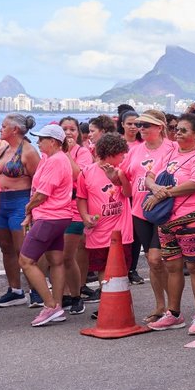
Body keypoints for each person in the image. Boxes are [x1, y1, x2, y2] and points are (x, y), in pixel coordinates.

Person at [141, 113, 195, 333]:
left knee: (194, 265)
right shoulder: (171, 152)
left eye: (183, 130)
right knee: (172, 265)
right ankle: (174, 313)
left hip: (192, 216)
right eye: (177, 129)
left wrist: (162, 194)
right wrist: (154, 188)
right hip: (167, 219)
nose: (178, 133)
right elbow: (150, 175)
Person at [121, 109, 177, 322]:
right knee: (154, 263)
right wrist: (115, 178)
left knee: (158, 258)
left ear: (159, 127)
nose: (140, 128)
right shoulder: (135, 150)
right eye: (138, 125)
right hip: (140, 211)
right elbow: (125, 178)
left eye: (146, 125)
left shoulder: (172, 149)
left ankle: (173, 307)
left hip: (165, 210)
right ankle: (160, 306)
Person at [18, 124, 76, 326]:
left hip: (49, 217)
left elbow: (42, 194)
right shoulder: (51, 159)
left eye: (41, 139)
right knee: (56, 260)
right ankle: (57, 305)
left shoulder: (56, 161)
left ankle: (50, 305)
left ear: (53, 142)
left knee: (26, 261)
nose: (38, 141)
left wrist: (27, 209)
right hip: (58, 216)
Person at [76, 133, 132, 312]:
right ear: (111, 153)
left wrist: (117, 178)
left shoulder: (122, 170)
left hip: (121, 231)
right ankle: (107, 303)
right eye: (121, 154)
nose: (123, 157)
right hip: (98, 231)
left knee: (121, 268)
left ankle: (120, 304)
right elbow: (81, 198)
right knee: (102, 268)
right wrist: (85, 217)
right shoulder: (86, 172)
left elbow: (129, 193)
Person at [0, 113, 40, 308]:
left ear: (15, 130)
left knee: (24, 250)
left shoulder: (28, 151)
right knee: (6, 248)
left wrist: (32, 209)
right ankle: (15, 290)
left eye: (3, 127)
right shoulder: (2, 149)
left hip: (20, 202)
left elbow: (38, 181)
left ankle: (36, 290)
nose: (0, 130)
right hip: (2, 203)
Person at [59, 116, 95, 316]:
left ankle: (76, 294)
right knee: (57, 255)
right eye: (64, 129)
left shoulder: (83, 153)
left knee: (68, 254)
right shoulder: (49, 154)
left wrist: (67, 153)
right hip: (54, 208)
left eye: (72, 129)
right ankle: (63, 293)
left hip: (74, 207)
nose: (68, 133)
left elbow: (78, 176)